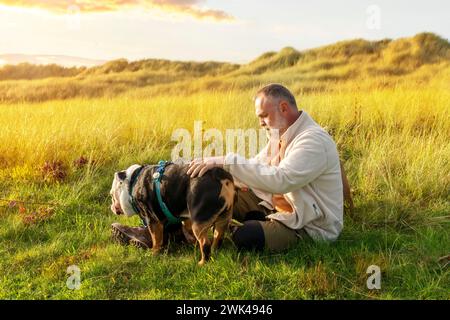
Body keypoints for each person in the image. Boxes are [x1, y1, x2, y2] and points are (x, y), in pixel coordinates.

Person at [112, 83, 345, 251]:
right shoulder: (281, 135)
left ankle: (187, 235)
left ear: (284, 108)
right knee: (209, 193)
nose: (260, 123)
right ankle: (155, 233)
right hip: (272, 204)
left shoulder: (313, 140)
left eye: (263, 116)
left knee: (245, 236)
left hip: (307, 225)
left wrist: (226, 161)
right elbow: (256, 165)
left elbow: (282, 179)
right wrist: (220, 176)